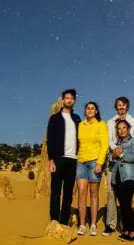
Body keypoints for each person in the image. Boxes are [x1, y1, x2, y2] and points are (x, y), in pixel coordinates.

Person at [104, 96, 134, 236]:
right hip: (114, 161)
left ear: (127, 106)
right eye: (119, 105)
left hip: (128, 166)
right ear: (116, 107)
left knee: (127, 199)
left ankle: (127, 227)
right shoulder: (110, 122)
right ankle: (111, 225)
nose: (121, 107)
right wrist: (116, 150)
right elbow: (110, 141)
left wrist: (122, 153)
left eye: (124, 105)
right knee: (112, 194)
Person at [47, 89, 81, 225]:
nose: (69, 100)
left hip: (73, 159)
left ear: (74, 101)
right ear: (62, 100)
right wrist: (51, 159)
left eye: (72, 98)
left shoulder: (77, 118)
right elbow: (50, 139)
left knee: (68, 194)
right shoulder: (54, 118)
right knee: (56, 192)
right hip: (59, 159)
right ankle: (54, 221)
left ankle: (64, 222)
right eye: (67, 98)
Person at [76, 101, 108, 236]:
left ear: (96, 111)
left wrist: (100, 163)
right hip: (81, 162)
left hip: (95, 162)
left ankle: (93, 224)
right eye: (87, 108)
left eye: (92, 108)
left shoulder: (101, 124)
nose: (89, 110)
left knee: (93, 194)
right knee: (81, 193)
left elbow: (104, 144)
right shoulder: (80, 125)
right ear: (85, 111)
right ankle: (82, 225)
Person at [110, 119, 134, 242]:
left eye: (124, 128)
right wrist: (113, 155)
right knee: (122, 205)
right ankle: (126, 230)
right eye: (119, 128)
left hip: (129, 177)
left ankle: (132, 233)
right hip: (117, 178)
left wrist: (121, 155)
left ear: (128, 129)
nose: (122, 130)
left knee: (127, 204)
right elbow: (112, 159)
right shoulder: (118, 144)